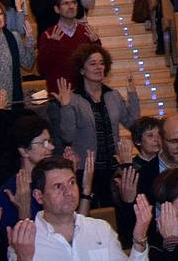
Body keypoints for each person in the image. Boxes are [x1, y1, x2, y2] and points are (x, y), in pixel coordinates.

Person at [6, 156, 151, 261]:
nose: (68, 192)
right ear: (39, 196)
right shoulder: (23, 240)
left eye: (72, 182)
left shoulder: (100, 229)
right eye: (58, 186)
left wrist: (139, 240)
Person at [47, 44, 140, 206]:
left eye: (101, 63)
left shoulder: (113, 95)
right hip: (86, 170)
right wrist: (66, 107)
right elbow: (67, 136)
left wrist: (132, 95)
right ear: (82, 70)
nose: (98, 67)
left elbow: (133, 125)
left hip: (113, 169)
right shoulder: (73, 99)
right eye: (92, 63)